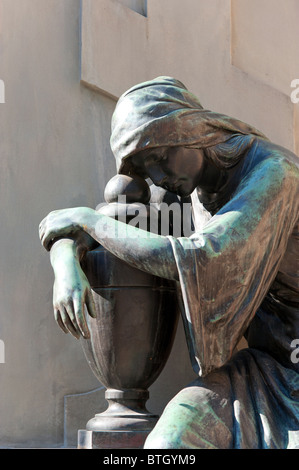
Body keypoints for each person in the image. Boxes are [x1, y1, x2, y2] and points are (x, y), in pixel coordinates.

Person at [39, 77, 299, 449]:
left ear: (191, 129)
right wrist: (65, 263)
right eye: (148, 169)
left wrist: (88, 221)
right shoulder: (187, 187)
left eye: (160, 158)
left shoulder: (276, 174)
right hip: (264, 373)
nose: (159, 178)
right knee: (169, 442)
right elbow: (110, 228)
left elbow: (201, 256)